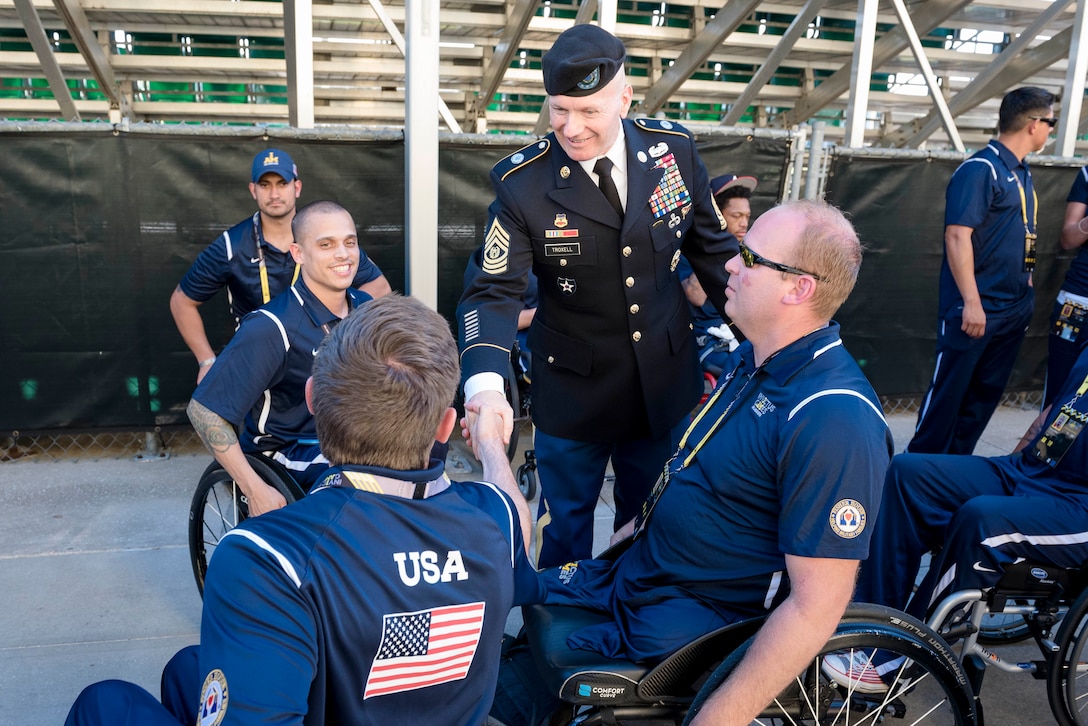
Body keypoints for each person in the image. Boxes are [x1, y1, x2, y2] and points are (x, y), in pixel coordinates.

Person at [493, 199, 893, 726]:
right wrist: (639, 524)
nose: (729, 262)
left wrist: (717, 720)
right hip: (636, 574)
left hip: (686, 623)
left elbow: (816, 608)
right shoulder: (752, 359)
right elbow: (705, 465)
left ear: (799, 288)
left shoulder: (833, 417)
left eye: (750, 258)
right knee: (482, 578)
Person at [65, 294, 544, 726]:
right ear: (444, 426)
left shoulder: (267, 556)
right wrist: (489, 446)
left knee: (104, 702)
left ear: (313, 401)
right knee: (187, 671)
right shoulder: (493, 520)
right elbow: (516, 523)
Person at [456, 23, 737, 569]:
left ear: (625, 98)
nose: (572, 127)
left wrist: (771, 341)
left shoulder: (672, 152)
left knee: (652, 525)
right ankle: (549, 636)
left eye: (589, 111)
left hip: (663, 382)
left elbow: (715, 253)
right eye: (559, 110)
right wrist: (487, 389)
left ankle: (636, 636)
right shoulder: (524, 184)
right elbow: (491, 293)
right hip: (573, 392)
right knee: (562, 533)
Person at [845, 344, 1088, 692]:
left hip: (1079, 506)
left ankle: (903, 655)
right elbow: (1054, 413)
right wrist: (1013, 467)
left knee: (983, 519)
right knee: (907, 474)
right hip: (1033, 470)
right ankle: (868, 625)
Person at [187, 200, 371, 516]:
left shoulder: (366, 307)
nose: (342, 253)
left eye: (349, 243)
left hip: (352, 441)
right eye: (326, 245)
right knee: (366, 480)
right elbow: (204, 412)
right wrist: (254, 488)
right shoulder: (272, 327)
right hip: (287, 452)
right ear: (298, 253)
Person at [908, 87, 1055, 455]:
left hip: (1013, 307)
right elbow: (957, 235)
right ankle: (914, 474)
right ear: (1034, 124)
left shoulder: (1022, 172)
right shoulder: (981, 168)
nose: (1051, 130)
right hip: (979, 308)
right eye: (1050, 122)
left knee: (982, 400)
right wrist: (972, 302)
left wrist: (1028, 281)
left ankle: (954, 476)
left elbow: (1022, 233)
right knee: (948, 399)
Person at [170, 148, 391, 384]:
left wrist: (344, 331)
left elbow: (380, 288)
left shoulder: (323, 237)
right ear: (253, 190)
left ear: (296, 187)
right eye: (265, 185)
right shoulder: (231, 245)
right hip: (256, 365)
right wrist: (206, 361)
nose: (274, 193)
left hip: (320, 363)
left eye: (282, 183)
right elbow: (182, 301)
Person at [678, 174, 756, 372]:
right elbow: (695, 296)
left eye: (747, 216)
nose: (744, 223)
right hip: (707, 339)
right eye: (736, 216)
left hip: (741, 333)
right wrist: (712, 247)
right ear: (717, 215)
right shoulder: (689, 248)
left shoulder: (746, 250)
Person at [1046, 166, 1088, 407]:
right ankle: (1043, 447)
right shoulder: (1087, 174)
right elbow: (1068, 238)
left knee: (1081, 404)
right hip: (1076, 306)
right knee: (1060, 396)